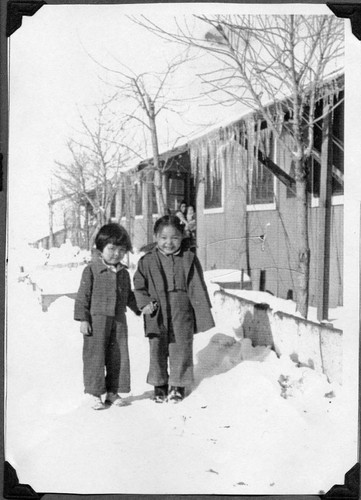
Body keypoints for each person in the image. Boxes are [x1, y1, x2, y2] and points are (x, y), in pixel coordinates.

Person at [133, 215, 215, 404]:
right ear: (155, 237)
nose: (169, 242)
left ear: (182, 237)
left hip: (181, 308)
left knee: (181, 346)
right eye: (163, 238)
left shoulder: (189, 258)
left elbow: (196, 285)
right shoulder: (147, 261)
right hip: (157, 310)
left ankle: (178, 385)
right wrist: (144, 303)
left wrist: (201, 312)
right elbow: (139, 285)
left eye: (174, 238)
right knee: (157, 348)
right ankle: (159, 384)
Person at [74, 223, 140, 410]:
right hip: (97, 321)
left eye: (121, 250)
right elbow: (82, 296)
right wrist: (83, 319)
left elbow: (129, 296)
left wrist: (140, 308)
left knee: (118, 355)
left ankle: (113, 391)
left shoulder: (124, 273)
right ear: (100, 249)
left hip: (118, 321)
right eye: (111, 248)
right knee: (95, 356)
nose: (116, 254)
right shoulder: (92, 270)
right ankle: (94, 392)